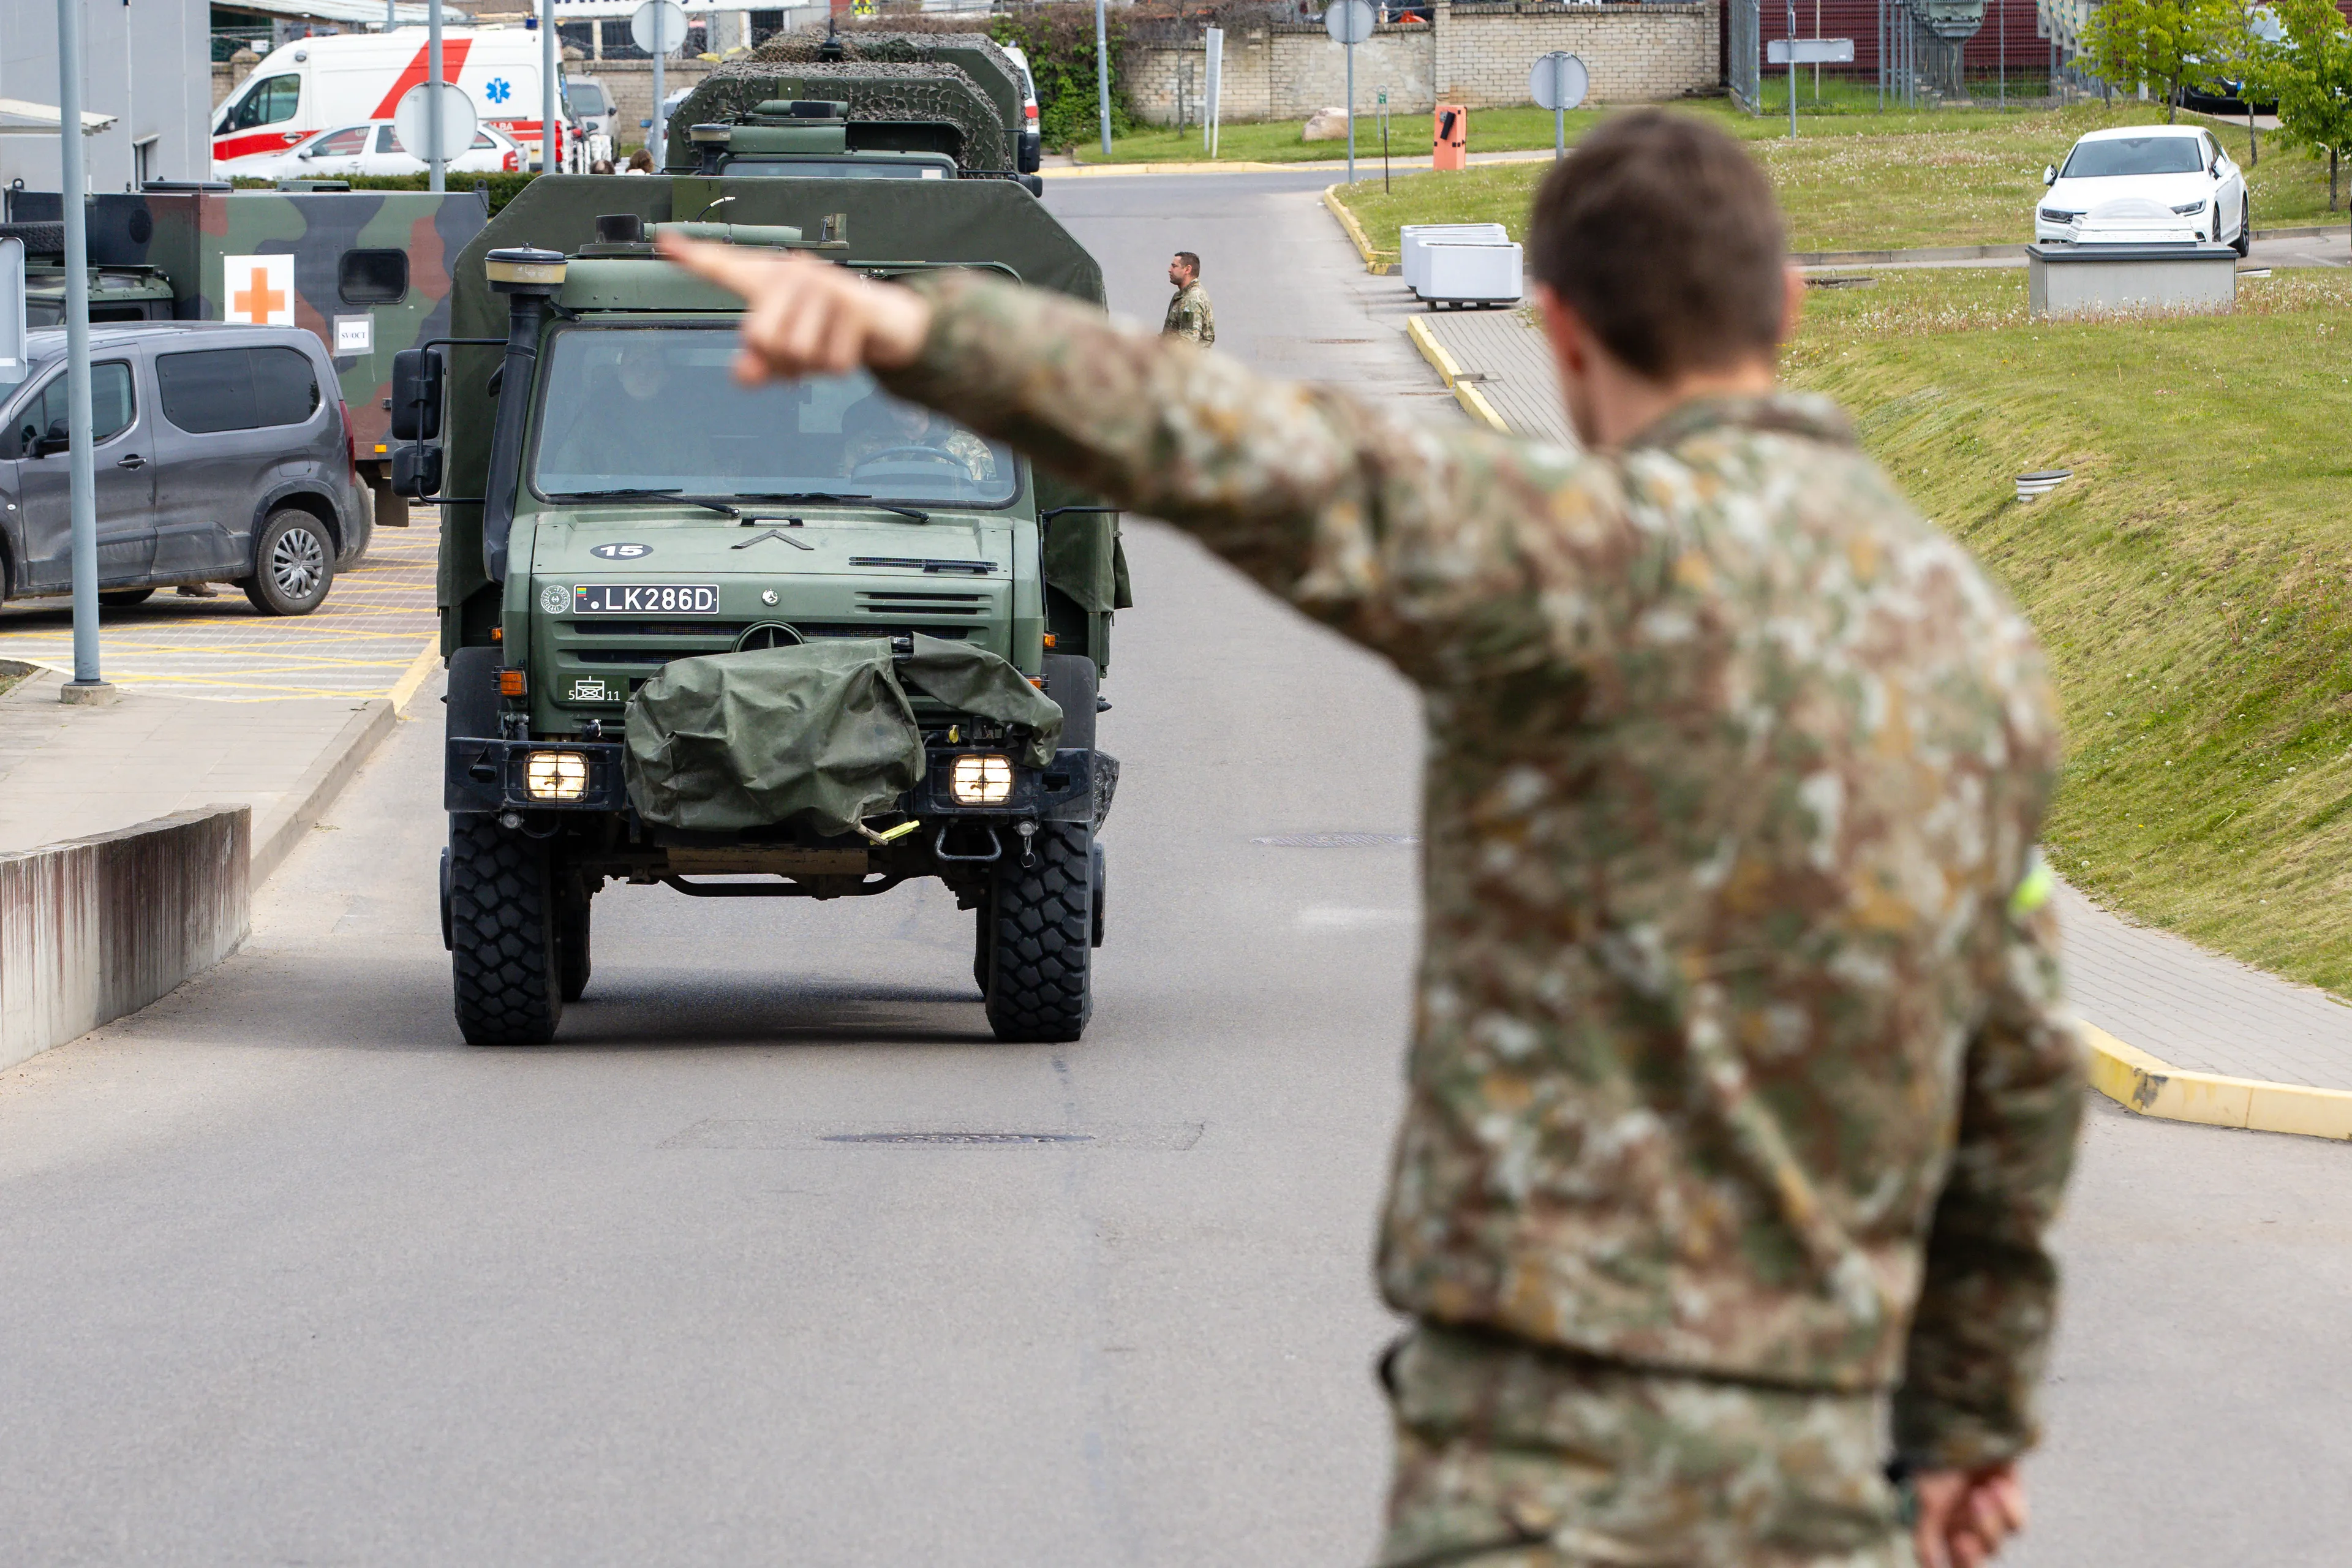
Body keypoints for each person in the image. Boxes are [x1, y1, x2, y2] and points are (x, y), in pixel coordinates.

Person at [659, 108, 2081, 1568]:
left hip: (1543, 1468)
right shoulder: (1974, 645)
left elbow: (1263, 455)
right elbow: (2018, 1069)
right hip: (1820, 1469)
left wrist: (917, 331)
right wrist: (1967, 1418)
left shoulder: (1570, 560)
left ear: (1558, 328)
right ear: (1783, 308)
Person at [1163, 251, 1215, 347]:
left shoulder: (1192, 299)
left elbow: (1188, 343)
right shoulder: (1182, 296)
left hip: (1189, 361)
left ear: (1187, 270)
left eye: (1174, 266)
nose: (1169, 270)